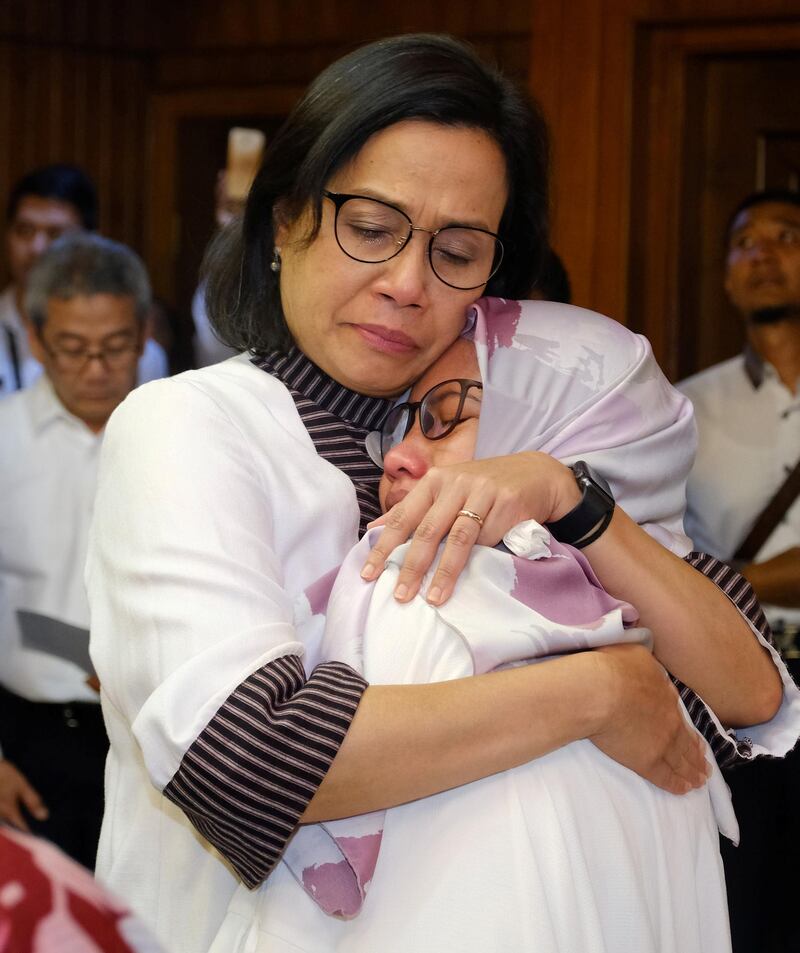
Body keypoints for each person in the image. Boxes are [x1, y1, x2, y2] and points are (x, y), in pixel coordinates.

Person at [87, 35, 781, 953]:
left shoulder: (527, 415)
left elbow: (744, 687)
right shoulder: (192, 425)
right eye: (370, 229)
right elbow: (247, 757)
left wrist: (564, 491)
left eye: (457, 250)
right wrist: (597, 690)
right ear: (286, 221)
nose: (408, 285)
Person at [0, 233, 149, 869]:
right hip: (27, 737)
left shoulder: (178, 436)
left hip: (151, 739)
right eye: (72, 349)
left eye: (115, 348)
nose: (95, 369)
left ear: (143, 336)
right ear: (35, 341)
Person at [678, 188, 800, 953]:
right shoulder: (681, 408)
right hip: (740, 696)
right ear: (725, 276)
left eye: (787, 235)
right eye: (743, 242)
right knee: (750, 905)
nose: (761, 253)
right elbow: (662, 564)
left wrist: (733, 581)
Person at [0, 164, 166, 395]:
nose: (37, 248)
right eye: (25, 231)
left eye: (55, 234)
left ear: (90, 241)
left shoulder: (140, 355)